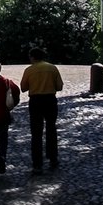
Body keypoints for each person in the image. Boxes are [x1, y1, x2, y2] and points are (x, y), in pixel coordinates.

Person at [20, 46, 64, 174]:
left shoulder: (29, 70)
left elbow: (23, 87)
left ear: (32, 57)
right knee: (51, 128)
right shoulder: (52, 68)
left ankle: (37, 164)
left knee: (36, 132)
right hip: (50, 100)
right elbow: (59, 87)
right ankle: (53, 157)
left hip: (35, 101)